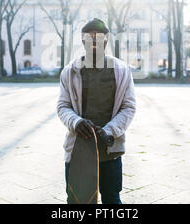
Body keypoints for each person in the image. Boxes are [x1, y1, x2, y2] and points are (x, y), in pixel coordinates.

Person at [57, 18, 136, 204]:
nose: (94, 40)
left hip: (109, 149)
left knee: (111, 200)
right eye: (89, 36)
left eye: (99, 37)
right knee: (77, 201)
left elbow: (129, 107)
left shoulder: (121, 71)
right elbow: (62, 106)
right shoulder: (69, 72)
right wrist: (76, 122)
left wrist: (109, 130)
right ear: (82, 40)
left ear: (106, 41)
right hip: (79, 149)